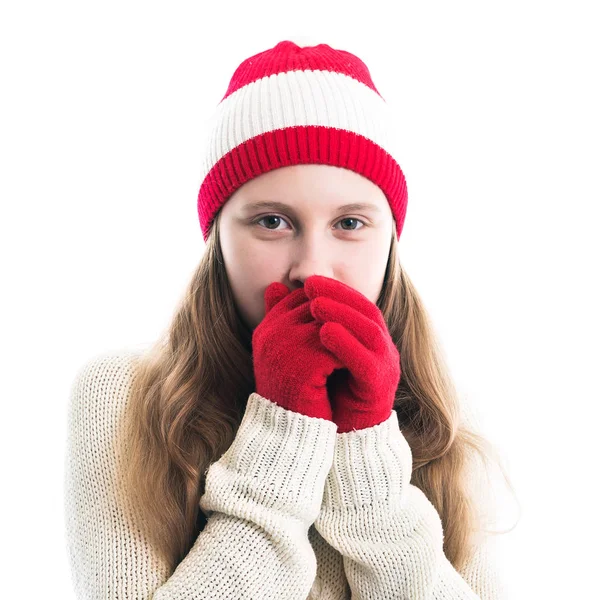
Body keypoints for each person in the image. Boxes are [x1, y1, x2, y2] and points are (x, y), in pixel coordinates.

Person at [63, 39, 519, 599]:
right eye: (272, 221)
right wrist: (283, 429)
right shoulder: (122, 395)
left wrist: (368, 455)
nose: (312, 269)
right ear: (217, 239)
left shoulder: (441, 409)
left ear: (391, 240)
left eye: (350, 223)